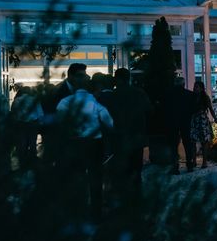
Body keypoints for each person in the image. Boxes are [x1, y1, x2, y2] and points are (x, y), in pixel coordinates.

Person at [57, 70, 113, 221]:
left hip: (74, 142)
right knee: (95, 177)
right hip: (94, 143)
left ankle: (77, 209)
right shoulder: (95, 103)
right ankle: (96, 211)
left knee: (76, 176)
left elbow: (60, 122)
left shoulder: (65, 102)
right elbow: (109, 122)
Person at [109, 67, 151, 189]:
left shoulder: (114, 95)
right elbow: (149, 110)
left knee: (122, 167)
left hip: (120, 136)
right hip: (137, 135)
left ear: (118, 79)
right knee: (136, 166)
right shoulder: (139, 93)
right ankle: (136, 191)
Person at [190, 81, 217, 168]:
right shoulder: (192, 97)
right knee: (193, 141)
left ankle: (204, 162)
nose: (195, 88)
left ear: (201, 88)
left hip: (202, 119)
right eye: (195, 87)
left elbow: (210, 109)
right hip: (194, 119)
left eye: (197, 87)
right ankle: (194, 160)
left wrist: (215, 118)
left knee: (204, 141)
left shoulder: (205, 97)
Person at [169, 77, 196, 173]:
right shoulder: (189, 94)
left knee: (173, 145)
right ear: (183, 84)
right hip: (186, 121)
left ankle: (175, 166)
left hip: (173, 122)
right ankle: (189, 164)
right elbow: (193, 109)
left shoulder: (170, 95)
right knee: (187, 143)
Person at [11, 86, 43, 165]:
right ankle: (32, 162)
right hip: (32, 124)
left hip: (21, 124)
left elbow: (13, 113)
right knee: (32, 143)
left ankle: (23, 162)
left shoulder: (17, 100)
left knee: (22, 143)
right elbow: (40, 114)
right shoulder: (34, 100)